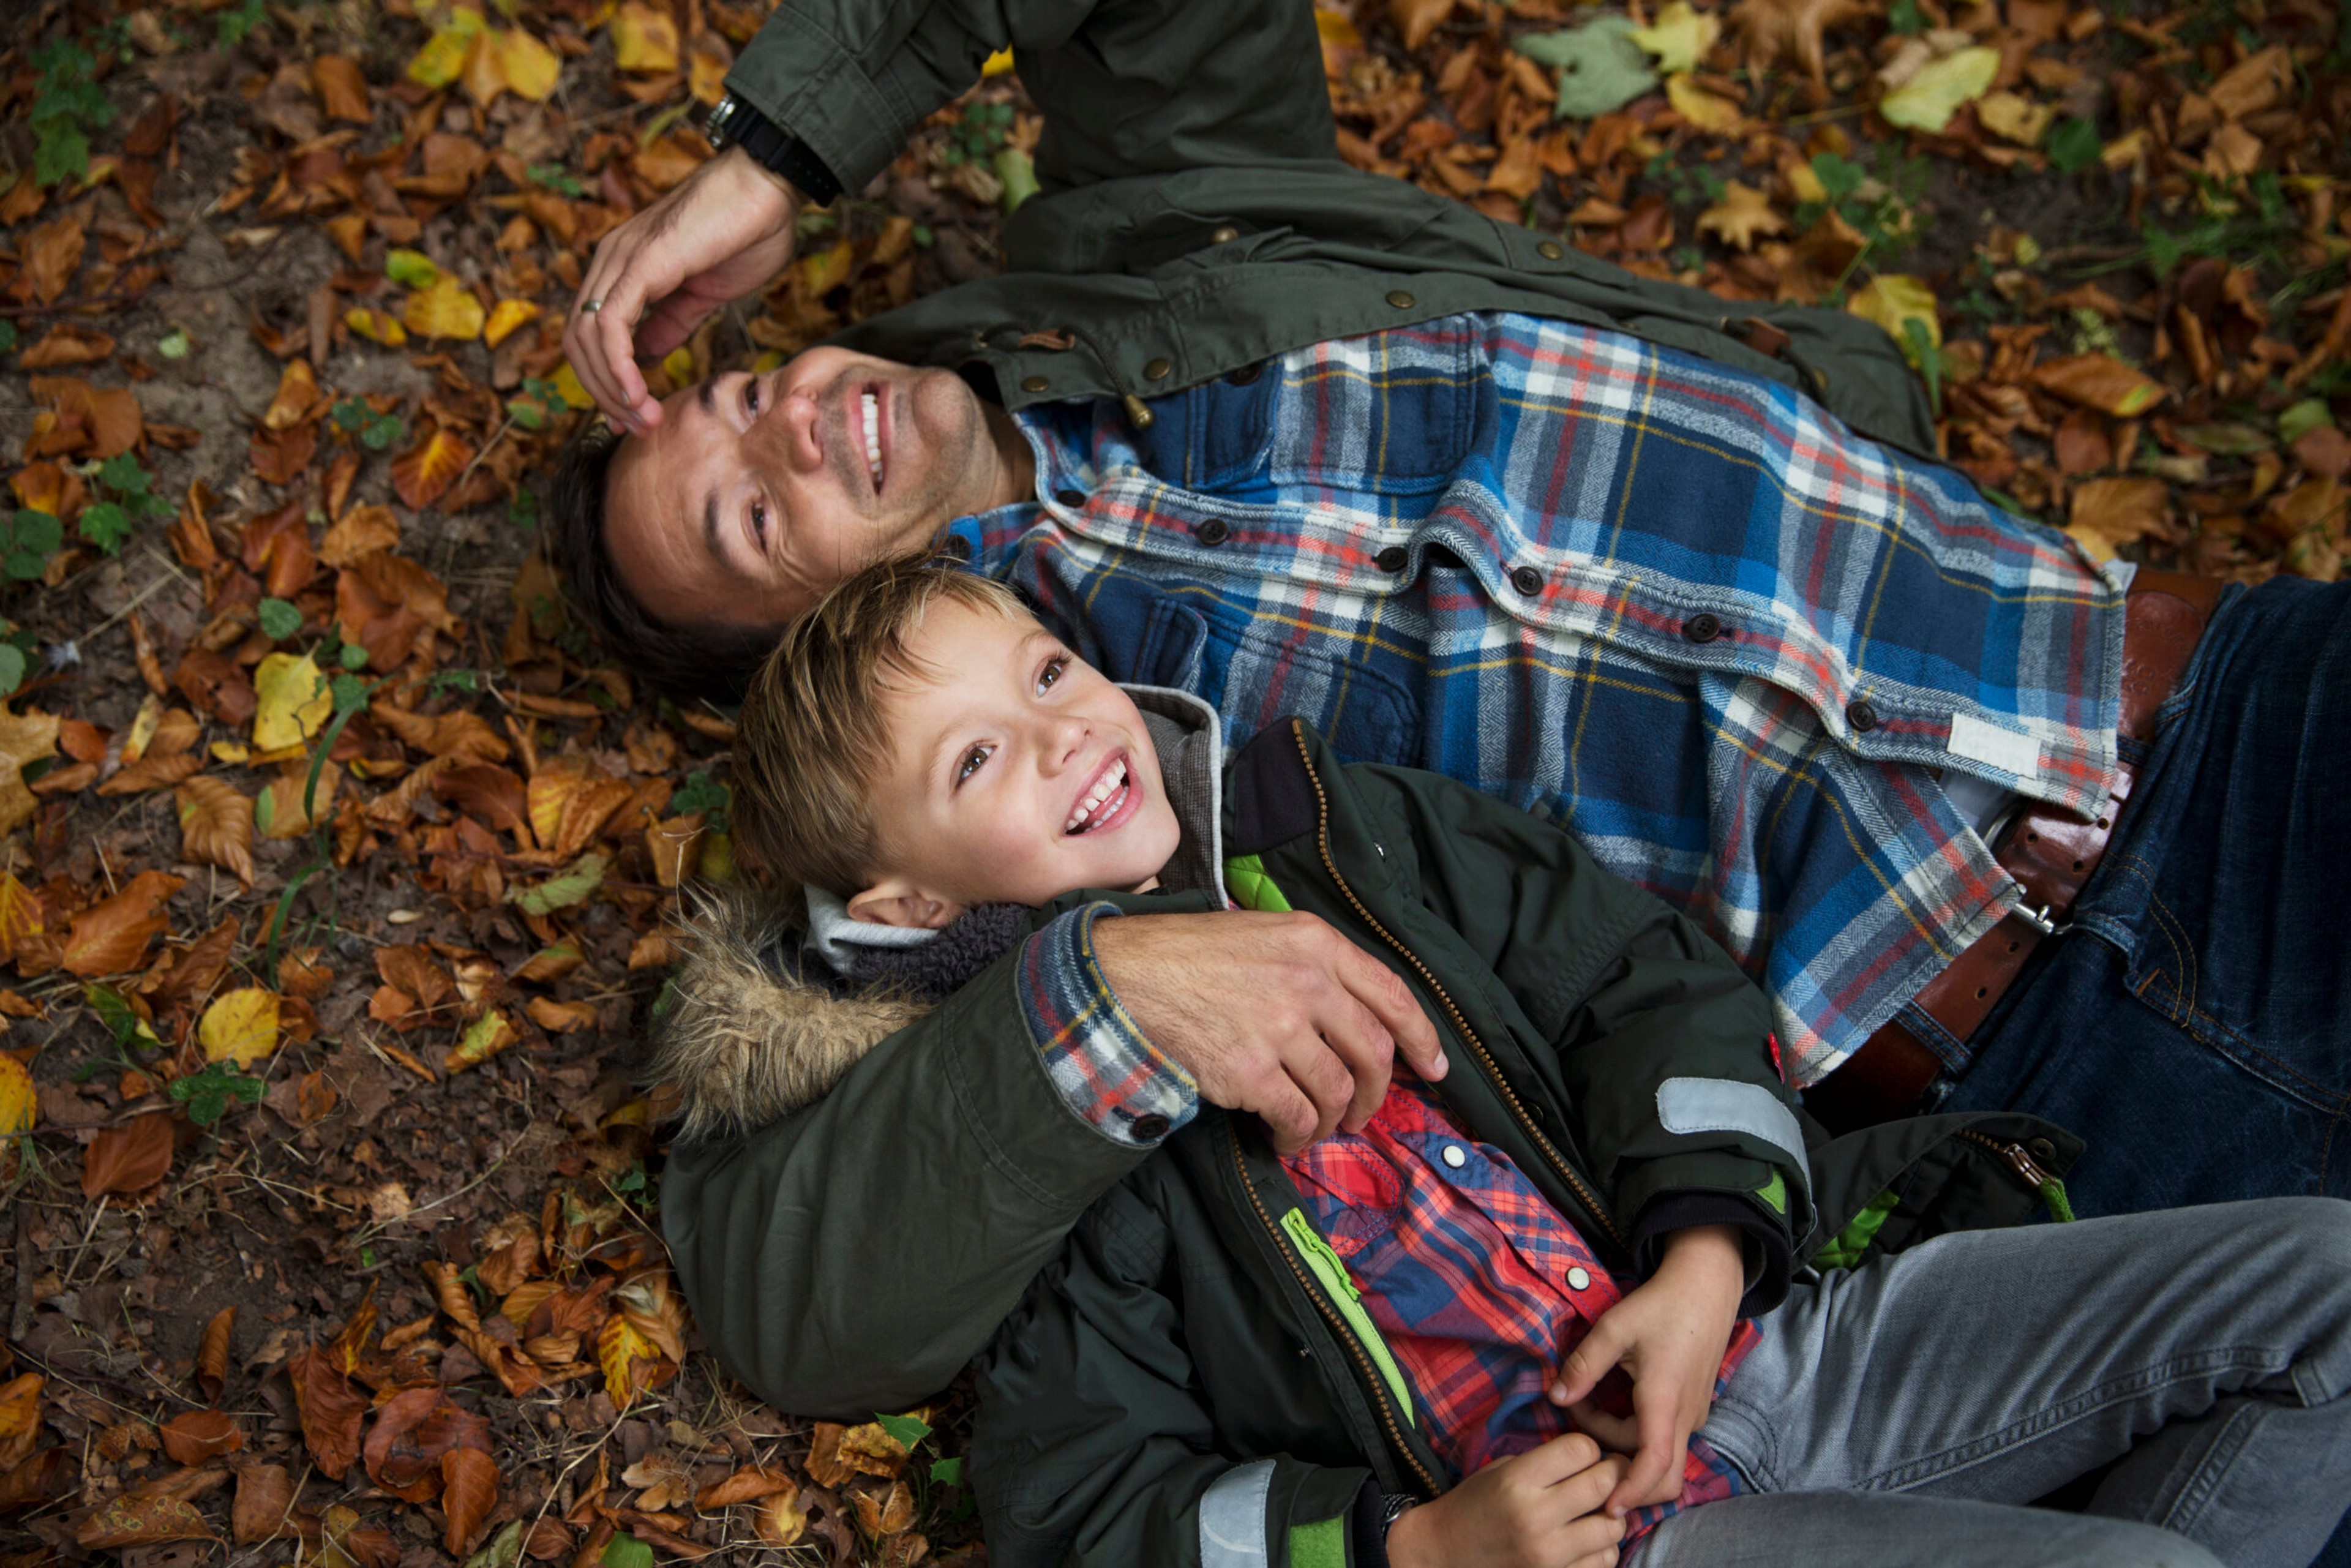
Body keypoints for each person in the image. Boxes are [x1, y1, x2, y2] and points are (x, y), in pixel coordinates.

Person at [563, 0, 2351, 1438]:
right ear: (803, 644)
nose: (785, 415)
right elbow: (787, 1288)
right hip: (2043, 1067)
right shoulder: (1078, 809)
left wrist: (780, 148)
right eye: (744, 515)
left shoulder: (1158, 235)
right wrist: (1094, 993)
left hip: (2220, 707)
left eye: (732, 390)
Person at [656, 555, 2351, 1568]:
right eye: (981, 758)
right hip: (1588, 1530)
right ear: (900, 894)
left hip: (1762, 1330)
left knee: (2329, 1289)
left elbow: (1646, 979)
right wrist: (1408, 1547)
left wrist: (1703, 1257)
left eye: (1045, 667)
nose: (1067, 731)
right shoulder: (1016, 1159)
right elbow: (1090, 1503)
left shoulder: (1343, 821)